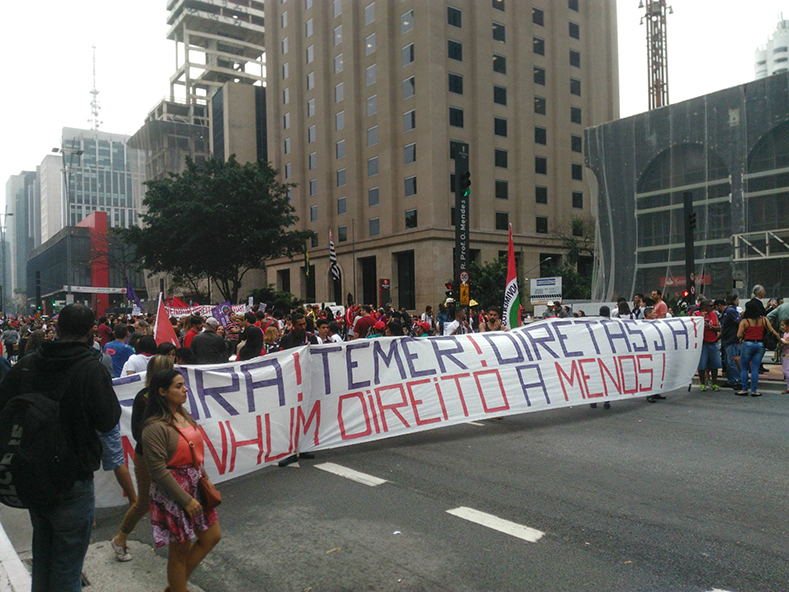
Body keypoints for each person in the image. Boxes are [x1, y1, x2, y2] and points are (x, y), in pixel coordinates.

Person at [0, 303, 121, 591]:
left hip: (31, 475)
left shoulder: (26, 365)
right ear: (91, 332)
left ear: (58, 328)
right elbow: (107, 421)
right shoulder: (92, 369)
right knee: (67, 569)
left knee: (43, 558)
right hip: (72, 481)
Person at [142, 370, 221, 592]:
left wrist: (205, 479)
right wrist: (184, 499)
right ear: (162, 392)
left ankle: (176, 586)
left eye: (183, 385)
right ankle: (178, 587)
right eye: (178, 386)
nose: (185, 389)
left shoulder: (182, 414)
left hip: (194, 485)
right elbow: (157, 470)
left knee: (212, 536)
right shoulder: (154, 427)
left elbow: (195, 452)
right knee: (179, 550)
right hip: (173, 493)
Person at [111, 354, 175, 562]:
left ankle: (178, 543)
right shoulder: (145, 398)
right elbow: (139, 433)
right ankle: (120, 539)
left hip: (167, 457)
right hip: (148, 457)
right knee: (143, 503)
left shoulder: (169, 396)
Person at [736, 299, 783, 397]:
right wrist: (780, 340)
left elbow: (738, 335)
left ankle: (744, 389)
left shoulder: (745, 321)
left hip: (748, 344)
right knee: (755, 368)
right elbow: (772, 331)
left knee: (744, 368)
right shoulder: (764, 319)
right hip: (760, 345)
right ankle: (754, 390)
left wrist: (744, 336)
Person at [694, 298, 722, 391]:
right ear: (704, 306)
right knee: (702, 364)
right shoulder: (696, 315)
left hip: (713, 341)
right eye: (710, 306)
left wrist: (710, 327)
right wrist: (701, 319)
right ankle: (702, 383)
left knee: (715, 364)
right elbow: (693, 326)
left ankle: (714, 383)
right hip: (703, 342)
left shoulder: (714, 315)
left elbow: (718, 328)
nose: (712, 307)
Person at [720, 293, 742, 390]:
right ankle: (732, 380)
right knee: (729, 362)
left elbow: (739, 322)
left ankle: (737, 380)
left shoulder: (730, 311)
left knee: (732, 361)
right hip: (729, 340)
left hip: (731, 340)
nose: (738, 302)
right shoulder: (730, 311)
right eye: (737, 300)